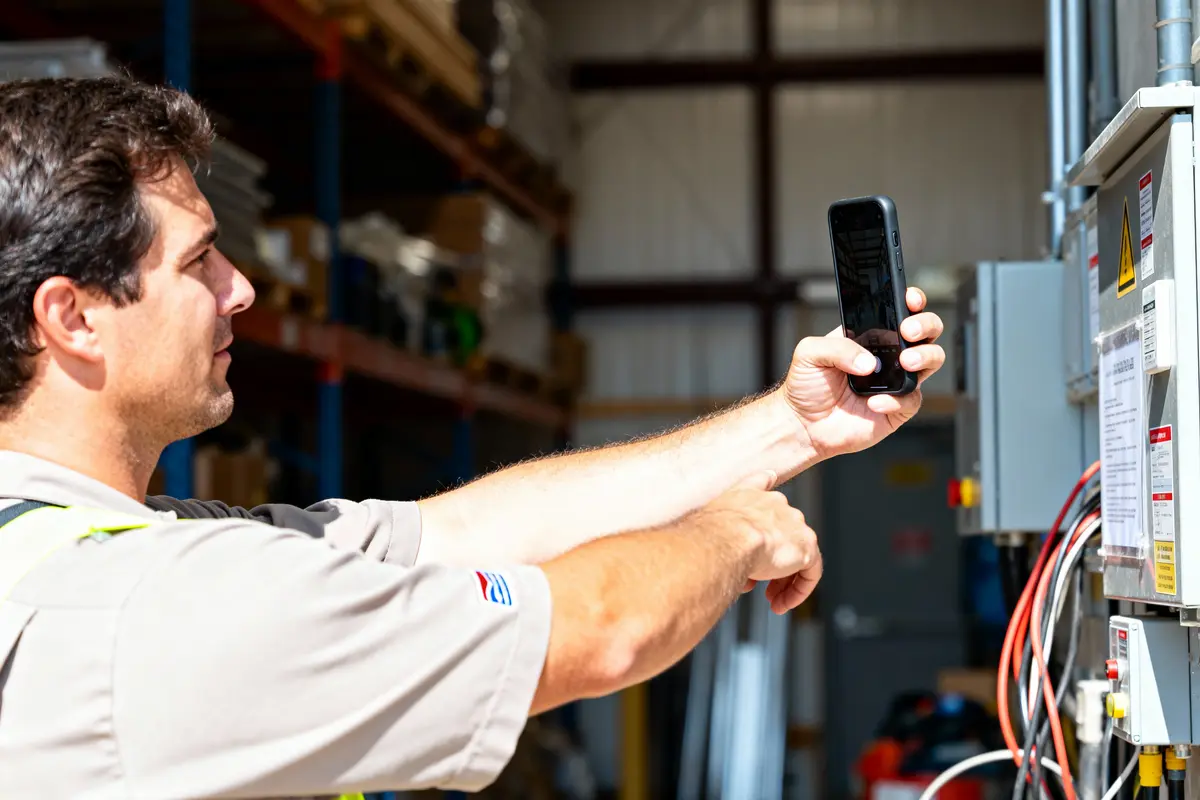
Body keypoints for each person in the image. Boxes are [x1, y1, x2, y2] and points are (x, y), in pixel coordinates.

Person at [0, 76, 945, 798]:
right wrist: (739, 532)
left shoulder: (77, 546)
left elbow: (458, 534)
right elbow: (598, 630)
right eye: (198, 262)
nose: (240, 288)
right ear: (73, 316)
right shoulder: (153, 608)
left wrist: (790, 423)